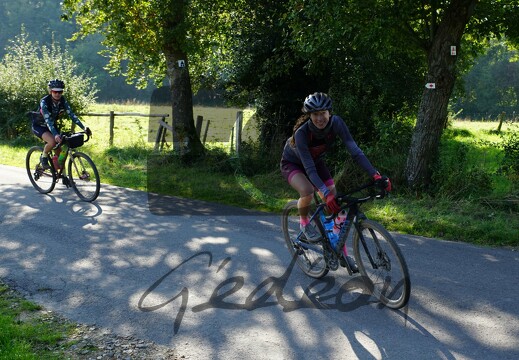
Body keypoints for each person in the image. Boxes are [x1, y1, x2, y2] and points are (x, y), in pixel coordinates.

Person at [280, 92, 391, 269]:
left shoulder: (337, 123)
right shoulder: (302, 133)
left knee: (335, 201)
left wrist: (375, 175)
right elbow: (308, 169)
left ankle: (340, 252)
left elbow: (355, 151)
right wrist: (323, 192)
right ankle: (304, 223)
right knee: (308, 190)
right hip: (293, 164)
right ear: (309, 115)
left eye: (322, 113)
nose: (319, 118)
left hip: (315, 163)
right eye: (315, 114)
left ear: (329, 112)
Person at [31, 79, 91, 168]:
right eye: (55, 92)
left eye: (60, 92)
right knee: (52, 142)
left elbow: (71, 114)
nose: (58, 94)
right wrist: (55, 134)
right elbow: (48, 121)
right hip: (40, 126)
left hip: (52, 126)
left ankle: (63, 175)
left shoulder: (62, 101)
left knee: (61, 155)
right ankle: (43, 157)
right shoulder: (44, 102)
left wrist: (84, 128)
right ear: (51, 91)